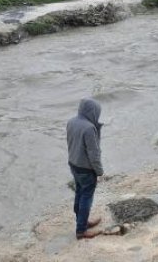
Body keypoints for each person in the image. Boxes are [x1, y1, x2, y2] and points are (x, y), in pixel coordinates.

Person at [67, 98, 104, 239]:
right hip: (86, 169)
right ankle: (81, 230)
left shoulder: (71, 122)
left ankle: (81, 221)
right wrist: (99, 171)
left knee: (79, 193)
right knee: (86, 198)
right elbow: (94, 154)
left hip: (73, 164)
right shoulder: (89, 128)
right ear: (92, 112)